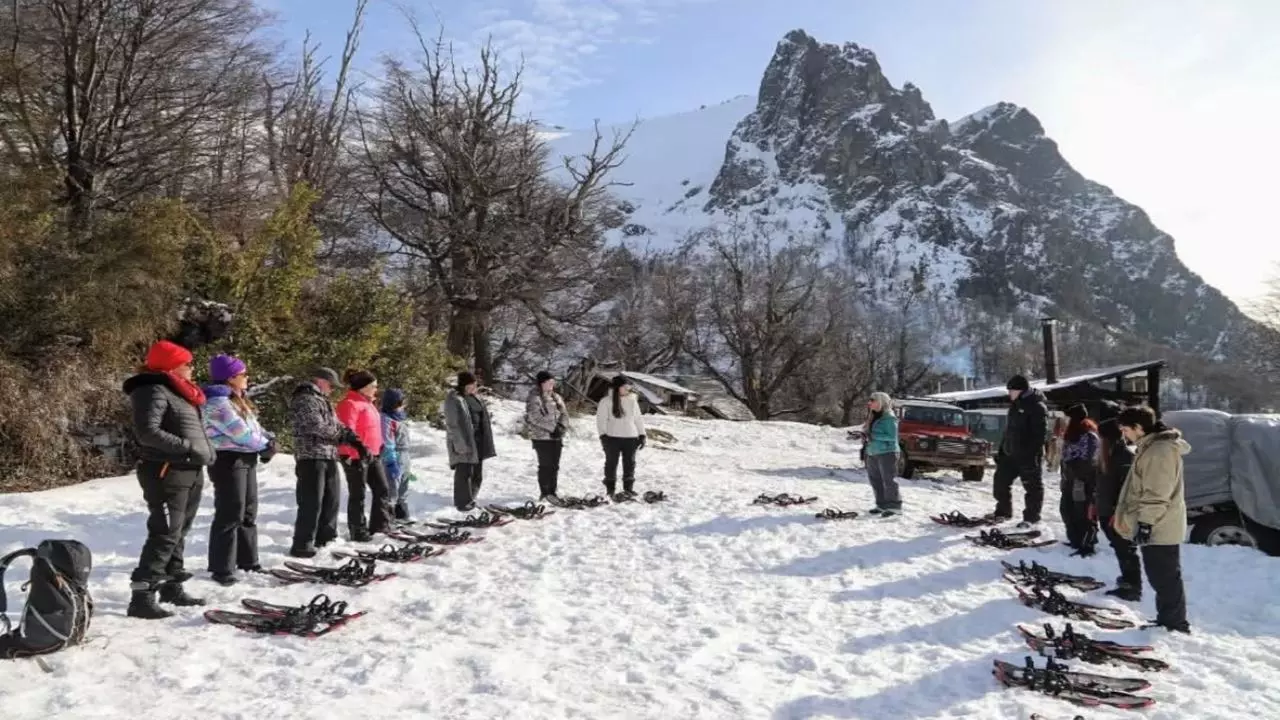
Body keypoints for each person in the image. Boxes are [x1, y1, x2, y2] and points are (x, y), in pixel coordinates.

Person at [122, 340, 217, 619]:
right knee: (165, 532)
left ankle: (172, 586)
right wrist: (187, 447)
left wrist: (199, 452)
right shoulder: (151, 389)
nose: (192, 368)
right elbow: (147, 432)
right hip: (166, 469)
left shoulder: (180, 391)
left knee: (179, 531)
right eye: (187, 364)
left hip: (189, 469)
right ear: (172, 366)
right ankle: (142, 595)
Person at [1113, 406, 1191, 634]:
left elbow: (1157, 493)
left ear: (1138, 427)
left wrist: (1146, 523)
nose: (1124, 435)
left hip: (1160, 524)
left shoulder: (1159, 452)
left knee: (1164, 576)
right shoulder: (1151, 448)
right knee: (1160, 575)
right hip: (1157, 522)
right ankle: (1167, 619)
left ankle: (1175, 623)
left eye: (1126, 429)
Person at [202, 354, 274, 586]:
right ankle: (222, 567)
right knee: (230, 512)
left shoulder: (237, 400)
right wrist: (263, 445)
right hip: (228, 460)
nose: (247, 377)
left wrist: (268, 440)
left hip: (246, 458)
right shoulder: (217, 403)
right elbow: (239, 432)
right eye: (243, 374)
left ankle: (248, 560)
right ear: (230, 377)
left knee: (248, 511)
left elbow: (253, 428)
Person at [289, 367, 362, 558]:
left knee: (331, 499)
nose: (332, 389)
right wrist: (340, 435)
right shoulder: (305, 399)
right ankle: (303, 543)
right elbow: (315, 425)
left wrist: (350, 436)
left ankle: (326, 538)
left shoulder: (322, 400)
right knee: (311, 501)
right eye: (331, 385)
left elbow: (335, 424)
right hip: (311, 455)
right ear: (320, 381)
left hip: (329, 454)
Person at [336, 370, 393, 540]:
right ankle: (358, 530)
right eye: (373, 386)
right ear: (363, 387)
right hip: (355, 456)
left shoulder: (368, 404)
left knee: (382, 489)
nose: (376, 389)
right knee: (358, 494)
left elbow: (371, 428)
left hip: (373, 455)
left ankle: (380, 525)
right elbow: (346, 431)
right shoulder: (350, 404)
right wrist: (349, 454)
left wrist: (380, 445)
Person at [991, 375, 1048, 527]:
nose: (1009, 393)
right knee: (1000, 483)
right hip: (1010, 454)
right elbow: (1008, 431)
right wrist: (1002, 451)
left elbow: (1040, 436)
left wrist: (1031, 455)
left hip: (1028, 456)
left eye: (1011, 390)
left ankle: (1031, 517)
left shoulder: (1037, 407)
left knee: (1032, 487)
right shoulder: (1015, 406)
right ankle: (1003, 512)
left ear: (1021, 390)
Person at [1094, 416, 1140, 600]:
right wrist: (1095, 504)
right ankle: (1127, 579)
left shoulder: (1124, 457)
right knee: (1119, 546)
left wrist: (1117, 512)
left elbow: (1126, 489)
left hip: (1118, 512)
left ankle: (1133, 586)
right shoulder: (1107, 455)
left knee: (1125, 548)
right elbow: (1101, 483)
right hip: (1106, 509)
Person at [444, 371, 496, 511]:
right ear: (464, 385)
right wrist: (460, 444)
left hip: (478, 439)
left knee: (477, 473)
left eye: (475, 384)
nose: (474, 387)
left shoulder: (475, 397)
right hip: (463, 440)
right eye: (471, 384)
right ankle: (462, 502)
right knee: (464, 472)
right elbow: (452, 424)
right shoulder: (454, 399)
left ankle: (471, 498)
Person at [596, 374, 647, 498]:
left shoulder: (632, 400)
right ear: (617, 387)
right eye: (625, 386)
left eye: (628, 386)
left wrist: (642, 434)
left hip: (631, 437)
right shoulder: (605, 401)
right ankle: (610, 489)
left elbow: (638, 419)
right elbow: (601, 420)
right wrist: (603, 436)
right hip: (612, 438)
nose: (627, 389)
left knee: (630, 464)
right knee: (611, 463)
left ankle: (628, 489)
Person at [1059, 404, 1099, 553]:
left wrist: (1075, 471)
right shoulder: (1071, 436)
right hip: (1069, 480)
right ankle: (1075, 539)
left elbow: (1088, 460)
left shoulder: (1089, 436)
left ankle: (1087, 543)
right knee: (1066, 510)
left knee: (1082, 512)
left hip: (1082, 481)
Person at [525, 371, 568, 501]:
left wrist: (562, 427)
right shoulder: (534, 398)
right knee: (545, 465)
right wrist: (552, 428)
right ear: (542, 383)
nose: (552, 385)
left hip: (556, 437)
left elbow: (564, 413)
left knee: (555, 465)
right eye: (549, 382)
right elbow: (534, 418)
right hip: (542, 437)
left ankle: (552, 492)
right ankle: (544, 492)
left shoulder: (556, 397)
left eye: (553, 382)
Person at [863, 392, 902, 516]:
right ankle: (881, 505)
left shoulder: (889, 418)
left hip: (887, 452)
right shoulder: (873, 416)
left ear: (881, 401)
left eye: (872, 400)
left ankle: (894, 506)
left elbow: (891, 436)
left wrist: (873, 435)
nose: (869, 403)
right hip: (873, 451)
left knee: (889, 480)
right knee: (875, 480)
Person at [380, 388, 413, 520]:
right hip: (395, 455)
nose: (403, 406)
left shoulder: (400, 417)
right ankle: (387, 516)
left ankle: (402, 514)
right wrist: (391, 461)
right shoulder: (386, 419)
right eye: (400, 403)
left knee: (404, 486)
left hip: (404, 455)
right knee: (392, 487)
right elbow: (387, 442)